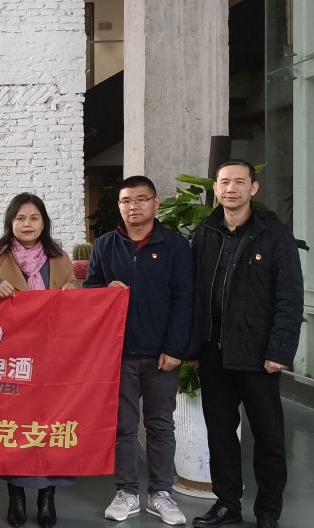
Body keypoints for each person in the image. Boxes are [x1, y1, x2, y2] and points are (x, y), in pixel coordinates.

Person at [185, 161, 303, 528]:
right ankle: (227, 505)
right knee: (220, 434)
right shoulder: (206, 232)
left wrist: (279, 351)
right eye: (224, 182)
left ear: (253, 188)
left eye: (239, 181)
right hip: (213, 351)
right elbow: (194, 294)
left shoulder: (274, 234)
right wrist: (193, 347)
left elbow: (290, 296)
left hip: (257, 352)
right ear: (216, 189)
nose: (231, 188)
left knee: (268, 436)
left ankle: (268, 511)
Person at [84, 176, 194, 526]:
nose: (134, 206)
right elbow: (89, 289)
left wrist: (175, 348)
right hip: (119, 353)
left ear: (155, 203)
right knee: (123, 427)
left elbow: (184, 300)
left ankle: (161, 493)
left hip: (162, 355)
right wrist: (105, 290)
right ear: (119, 206)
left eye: (141, 199)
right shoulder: (105, 244)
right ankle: (127, 492)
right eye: (126, 201)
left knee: (160, 426)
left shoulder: (174, 245)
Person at [0, 193, 76, 528]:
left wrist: (72, 294)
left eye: (34, 218)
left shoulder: (59, 258)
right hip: (13, 356)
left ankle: (47, 496)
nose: (27, 224)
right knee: (15, 425)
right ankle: (16, 495)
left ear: (43, 222)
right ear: (11, 223)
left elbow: (74, 300)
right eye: (20, 218)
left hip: (52, 355)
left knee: (49, 423)